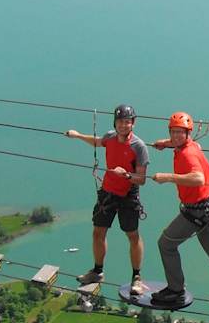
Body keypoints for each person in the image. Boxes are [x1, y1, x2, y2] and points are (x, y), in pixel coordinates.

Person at [148, 111, 209, 309]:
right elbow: (184, 144)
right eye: (173, 132)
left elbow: (198, 178)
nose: (175, 136)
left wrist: (168, 177)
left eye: (179, 132)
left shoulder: (187, 153)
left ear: (188, 132)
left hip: (195, 211)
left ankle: (175, 290)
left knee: (165, 244)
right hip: (208, 207)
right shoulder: (192, 145)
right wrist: (165, 144)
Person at [64, 104, 149, 294]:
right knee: (98, 232)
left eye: (127, 122)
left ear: (133, 124)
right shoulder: (110, 137)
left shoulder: (139, 147)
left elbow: (142, 179)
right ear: (115, 123)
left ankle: (136, 277)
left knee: (132, 235)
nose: (123, 125)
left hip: (128, 195)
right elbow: (97, 141)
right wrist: (77, 135)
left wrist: (126, 175)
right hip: (108, 192)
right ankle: (97, 271)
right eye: (120, 122)